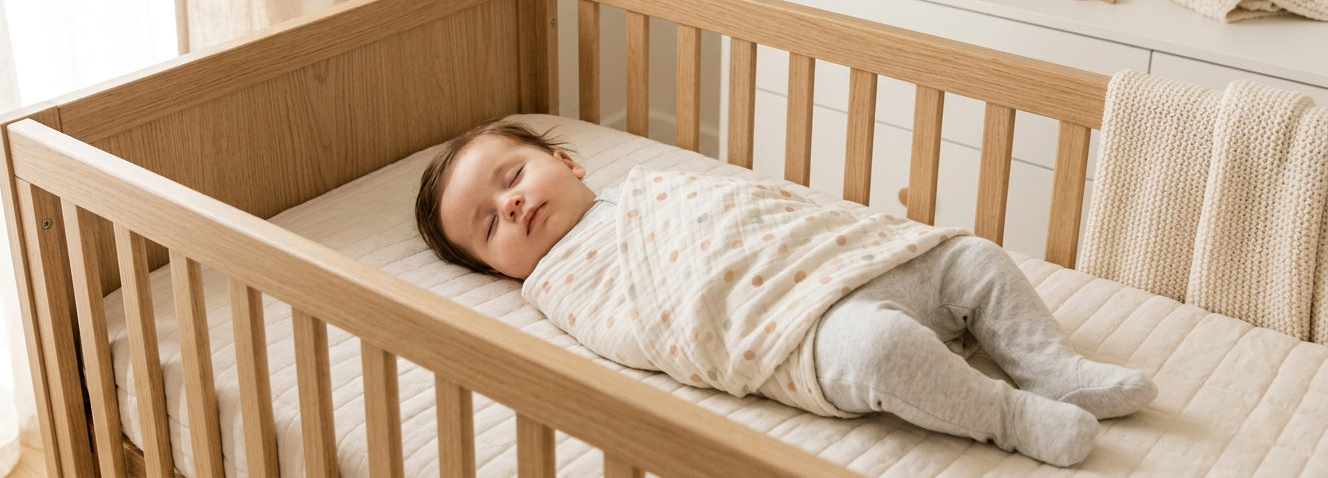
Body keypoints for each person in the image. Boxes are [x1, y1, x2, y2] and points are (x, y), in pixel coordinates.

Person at [415, 118, 1157, 467]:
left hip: (833, 256)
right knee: (881, 348)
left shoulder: (652, 186)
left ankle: (1052, 366)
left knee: (972, 257)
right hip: (791, 323)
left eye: (511, 179)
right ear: (501, 272)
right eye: (489, 226)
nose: (510, 206)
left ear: (569, 163)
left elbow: (752, 207)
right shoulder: (561, 283)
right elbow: (641, 326)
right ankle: (1009, 417)